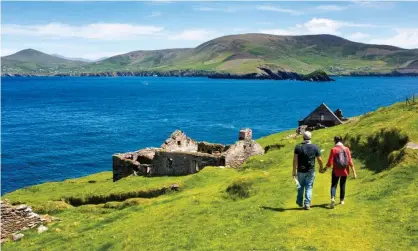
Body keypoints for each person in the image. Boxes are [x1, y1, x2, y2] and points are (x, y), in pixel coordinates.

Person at [321, 136, 357, 209]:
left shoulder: (333, 149)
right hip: (345, 170)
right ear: (341, 141)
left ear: (335, 141)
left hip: (336, 170)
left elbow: (330, 162)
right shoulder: (346, 149)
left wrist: (324, 169)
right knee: (342, 185)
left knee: (334, 185)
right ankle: (342, 200)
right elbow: (350, 161)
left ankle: (333, 199)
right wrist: (354, 172)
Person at [293, 131, 323, 210]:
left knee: (300, 186)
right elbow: (320, 159)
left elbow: (295, 160)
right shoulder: (315, 147)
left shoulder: (298, 147)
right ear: (310, 137)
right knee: (309, 186)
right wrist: (321, 167)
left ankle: (299, 202)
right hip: (310, 170)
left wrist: (294, 171)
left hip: (300, 171)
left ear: (303, 137)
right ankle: (307, 204)